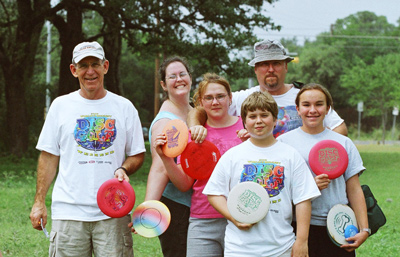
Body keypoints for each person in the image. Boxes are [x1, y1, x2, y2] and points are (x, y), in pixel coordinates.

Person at [29, 41, 146, 257]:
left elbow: (138, 153)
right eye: (83, 65)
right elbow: (48, 156)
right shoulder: (60, 106)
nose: (90, 71)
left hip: (113, 212)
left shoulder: (124, 107)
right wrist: (39, 202)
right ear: (74, 70)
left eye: (95, 64)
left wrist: (125, 169)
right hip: (69, 212)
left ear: (106, 67)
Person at [203, 91, 321, 257]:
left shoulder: (291, 155)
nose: (258, 121)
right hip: (239, 249)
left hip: (281, 247)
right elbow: (214, 193)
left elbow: (303, 199)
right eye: (252, 116)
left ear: (274, 119)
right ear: (244, 122)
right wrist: (234, 217)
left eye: (264, 115)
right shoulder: (232, 156)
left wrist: (301, 241)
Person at [153, 73, 244, 256]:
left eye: (220, 96)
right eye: (208, 98)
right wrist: (165, 158)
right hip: (202, 221)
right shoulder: (191, 136)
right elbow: (184, 183)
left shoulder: (246, 129)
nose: (215, 102)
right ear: (201, 102)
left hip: (239, 217)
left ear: (230, 98)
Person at [189, 39, 347, 142]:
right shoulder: (242, 98)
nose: (270, 69)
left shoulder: (304, 97)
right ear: (256, 69)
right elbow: (199, 110)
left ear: (285, 66)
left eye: (276, 63)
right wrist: (196, 127)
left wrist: (314, 148)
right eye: (264, 64)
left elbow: (339, 129)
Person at [277, 83, 369, 257]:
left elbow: (354, 189)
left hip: (338, 226)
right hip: (298, 227)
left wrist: (364, 228)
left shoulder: (343, 143)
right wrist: (309, 188)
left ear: (328, 109)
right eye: (306, 105)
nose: (312, 110)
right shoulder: (284, 143)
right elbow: (280, 190)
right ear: (297, 109)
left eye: (319, 104)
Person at [143, 56, 204, 257]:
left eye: (182, 74)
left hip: (196, 205)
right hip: (176, 207)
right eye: (172, 76)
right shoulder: (166, 122)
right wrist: (148, 208)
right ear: (163, 84)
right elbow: (159, 167)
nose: (178, 79)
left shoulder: (193, 112)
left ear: (190, 77)